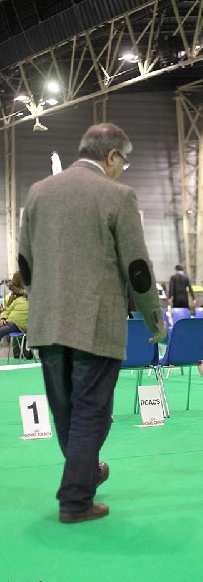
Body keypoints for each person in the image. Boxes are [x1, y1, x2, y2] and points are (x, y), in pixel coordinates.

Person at [18, 122, 166, 524]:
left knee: (66, 411)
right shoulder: (118, 196)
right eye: (125, 161)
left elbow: (25, 262)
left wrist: (42, 302)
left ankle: (85, 472)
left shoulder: (37, 192)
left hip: (47, 324)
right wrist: (154, 317)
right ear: (112, 156)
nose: (123, 169)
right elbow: (137, 267)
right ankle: (75, 499)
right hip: (95, 323)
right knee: (91, 412)